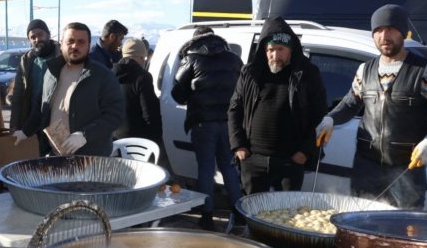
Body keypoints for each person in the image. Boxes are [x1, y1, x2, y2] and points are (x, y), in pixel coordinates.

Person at [316, 4, 427, 208]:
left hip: (406, 172)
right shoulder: (365, 70)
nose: (384, 36)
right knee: (361, 229)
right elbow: (350, 104)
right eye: (378, 31)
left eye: (391, 29)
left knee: (404, 232)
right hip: (365, 169)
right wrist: (330, 119)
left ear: (403, 33)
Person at [228, 17, 327, 195]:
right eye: (271, 50)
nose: (275, 55)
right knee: (251, 211)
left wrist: (304, 152)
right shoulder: (250, 72)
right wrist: (239, 146)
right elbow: (235, 109)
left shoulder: (307, 74)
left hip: (290, 161)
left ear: (291, 49)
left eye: (281, 49)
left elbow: (319, 115)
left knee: (286, 213)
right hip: (252, 159)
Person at [171, 27, 243, 230]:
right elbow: (244, 88)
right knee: (229, 167)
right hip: (229, 122)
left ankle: (207, 215)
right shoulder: (233, 58)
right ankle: (238, 214)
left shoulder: (191, 59)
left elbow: (177, 92)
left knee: (206, 169)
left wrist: (190, 96)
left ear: (195, 41)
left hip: (203, 123)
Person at [41, 22, 124, 156]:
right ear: (61, 43)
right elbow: (43, 109)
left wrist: (84, 135)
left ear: (89, 45)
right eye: (70, 41)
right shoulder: (51, 72)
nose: (75, 46)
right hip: (54, 155)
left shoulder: (103, 75)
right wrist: (23, 131)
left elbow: (115, 116)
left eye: (81, 42)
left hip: (89, 158)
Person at [10, 18, 59, 154]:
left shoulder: (62, 56)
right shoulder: (26, 60)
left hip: (56, 119)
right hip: (32, 120)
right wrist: (14, 126)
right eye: (33, 37)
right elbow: (18, 95)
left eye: (40, 34)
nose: (37, 39)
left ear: (48, 35)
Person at [113, 37, 162, 145]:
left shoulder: (109, 75)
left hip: (114, 138)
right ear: (140, 57)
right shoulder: (142, 77)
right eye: (144, 58)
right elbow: (149, 113)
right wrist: (156, 140)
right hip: (138, 140)